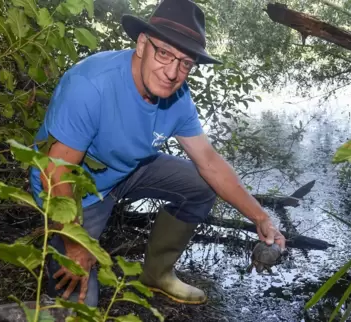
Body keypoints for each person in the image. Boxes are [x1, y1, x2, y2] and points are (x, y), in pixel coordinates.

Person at [29, 0, 286, 308]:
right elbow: (55, 173)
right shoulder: (90, 85)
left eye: (185, 63)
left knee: (202, 186)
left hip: (126, 169)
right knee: (81, 304)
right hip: (75, 190)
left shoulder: (178, 98)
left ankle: (157, 273)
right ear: (141, 44)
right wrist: (74, 242)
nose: (172, 72)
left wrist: (260, 217)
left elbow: (210, 163)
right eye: (164, 53)